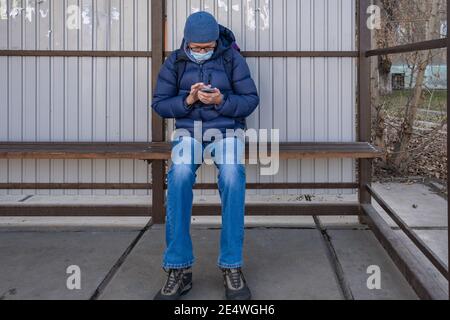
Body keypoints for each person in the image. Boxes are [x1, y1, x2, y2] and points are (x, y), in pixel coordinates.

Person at [151, 11, 259, 300]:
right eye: (196, 48)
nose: (201, 53)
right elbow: (159, 104)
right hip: (189, 132)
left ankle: (231, 265)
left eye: (207, 47)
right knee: (179, 174)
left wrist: (222, 100)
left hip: (226, 132)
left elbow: (250, 100)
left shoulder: (231, 58)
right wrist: (187, 100)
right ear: (186, 42)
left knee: (233, 175)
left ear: (216, 41)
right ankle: (179, 268)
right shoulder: (175, 61)